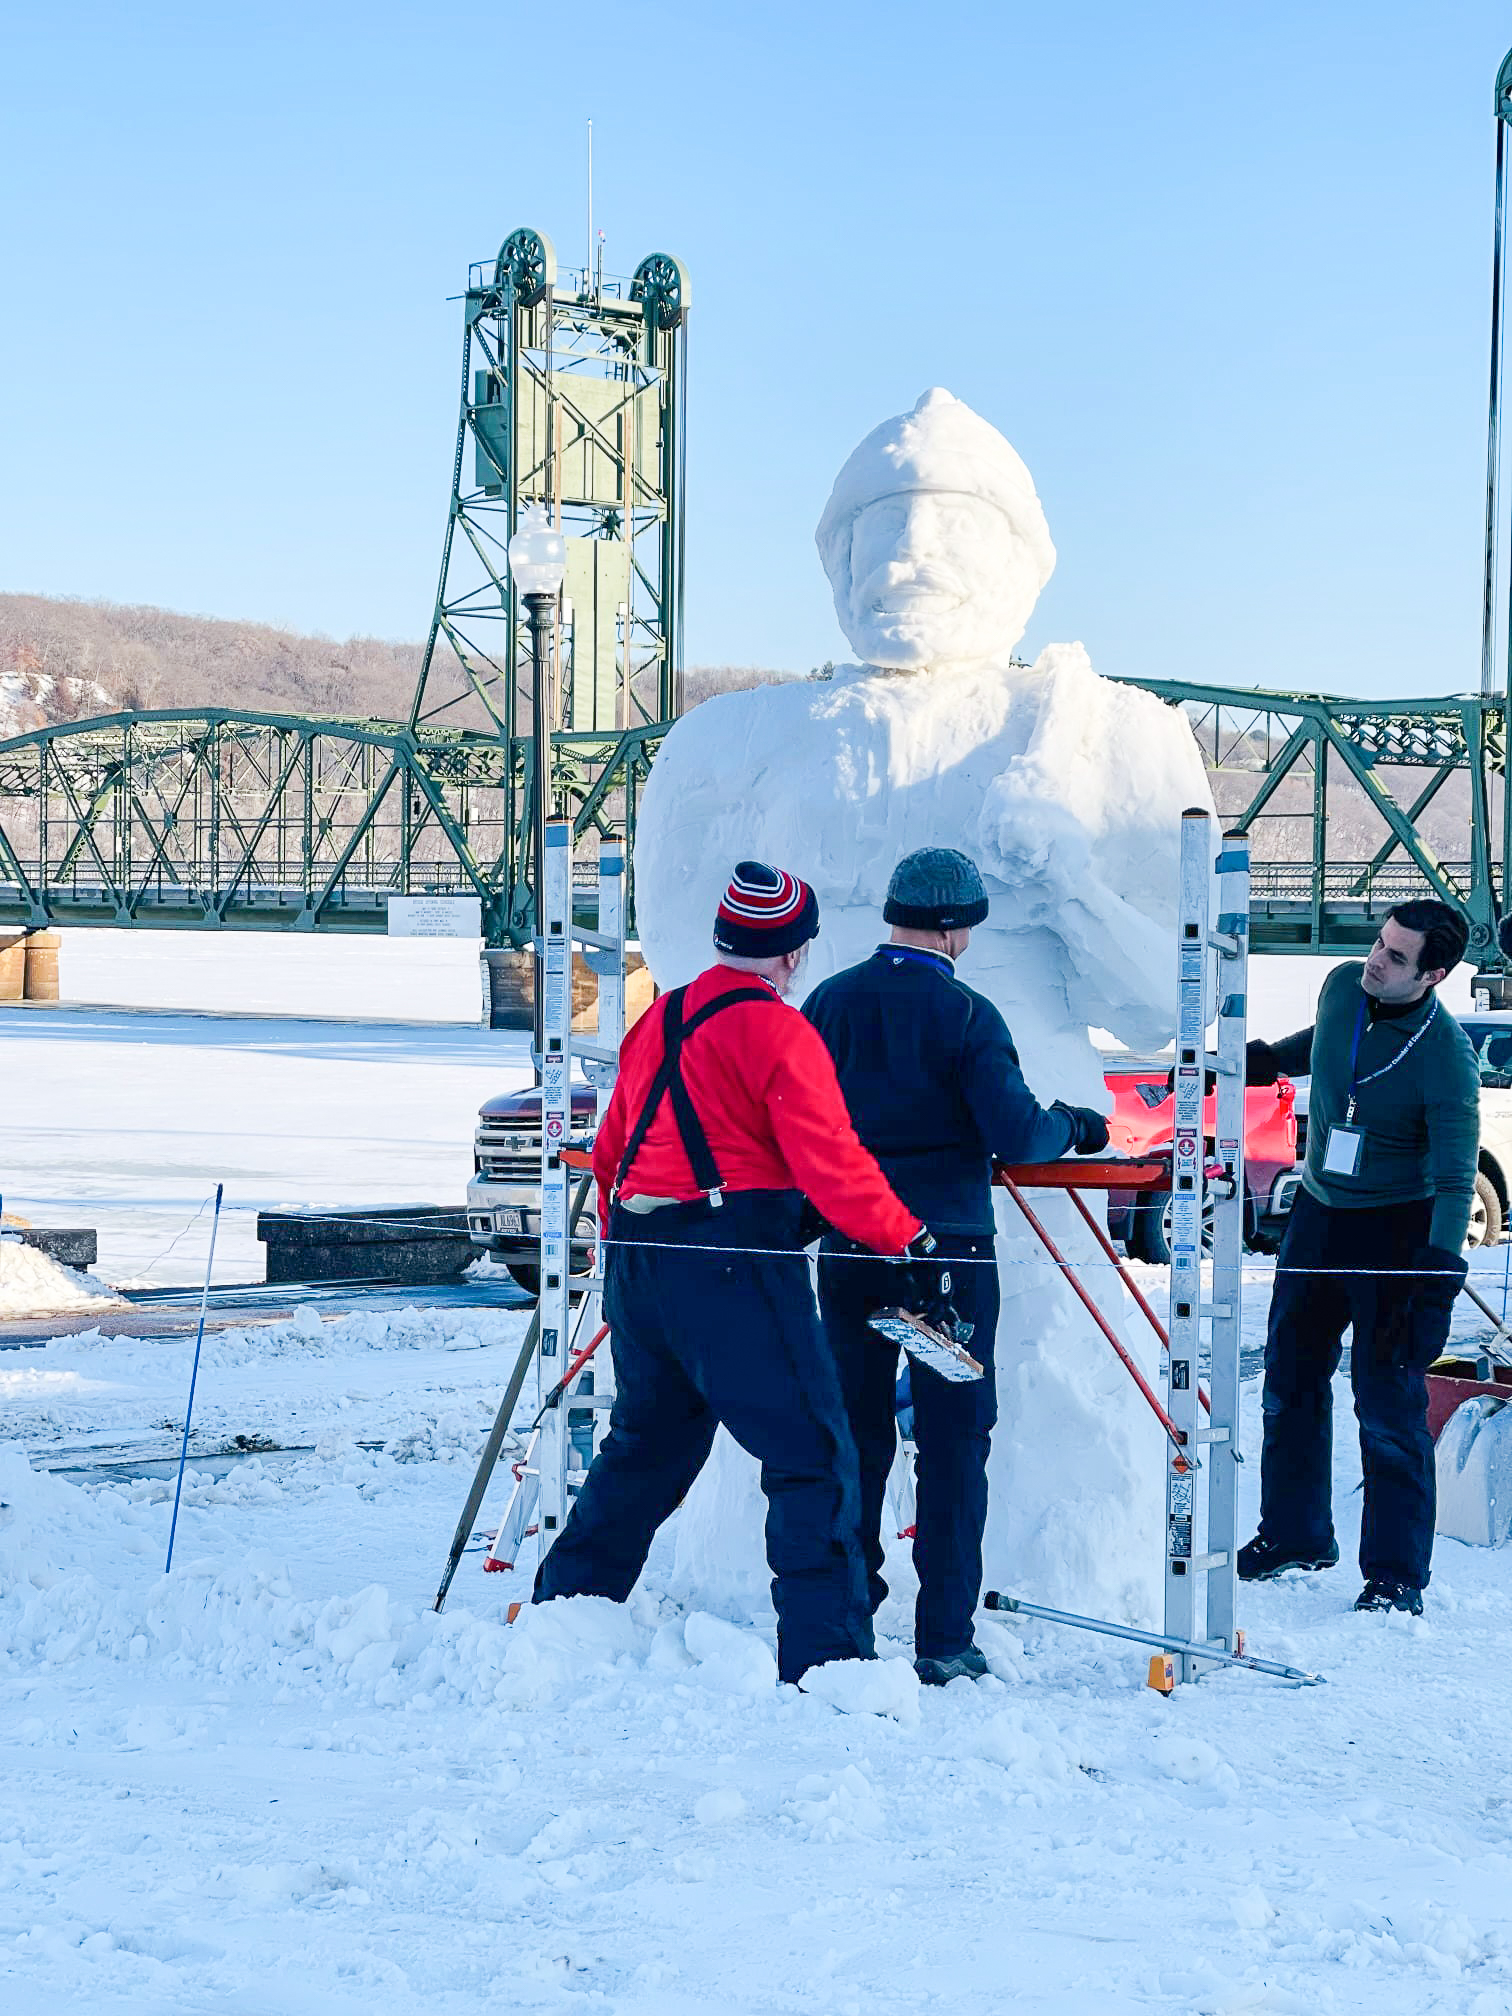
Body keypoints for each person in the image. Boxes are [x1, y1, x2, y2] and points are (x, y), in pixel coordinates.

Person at [533, 860, 941, 1687]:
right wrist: (910, 1238)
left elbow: (610, 1153)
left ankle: (560, 1618)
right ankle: (829, 1660)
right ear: (791, 954)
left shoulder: (664, 1017)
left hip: (642, 1261)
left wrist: (623, 1260)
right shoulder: (779, 1033)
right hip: (734, 1264)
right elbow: (831, 1163)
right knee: (811, 1455)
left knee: (645, 1449)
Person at [803, 847, 1111, 1685]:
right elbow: (1018, 1132)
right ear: (960, 928)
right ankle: (943, 1635)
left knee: (855, 1432)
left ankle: (845, 1620)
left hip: (850, 1248)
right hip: (949, 1258)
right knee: (952, 1442)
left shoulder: (829, 1001)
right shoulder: (968, 1015)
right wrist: (1077, 1126)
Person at [1239, 900, 1479, 1615]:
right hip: (1319, 1214)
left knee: (1386, 1402)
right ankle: (1294, 1533)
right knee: (1288, 1381)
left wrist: (1436, 1280)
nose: (1378, 959)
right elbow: (1327, 1039)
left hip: (1396, 1234)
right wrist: (1267, 1062)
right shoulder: (1346, 984)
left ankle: (1396, 1574)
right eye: (1380, 944)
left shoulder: (1446, 1059)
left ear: (1433, 975)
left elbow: (1455, 1179)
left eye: (1398, 957)